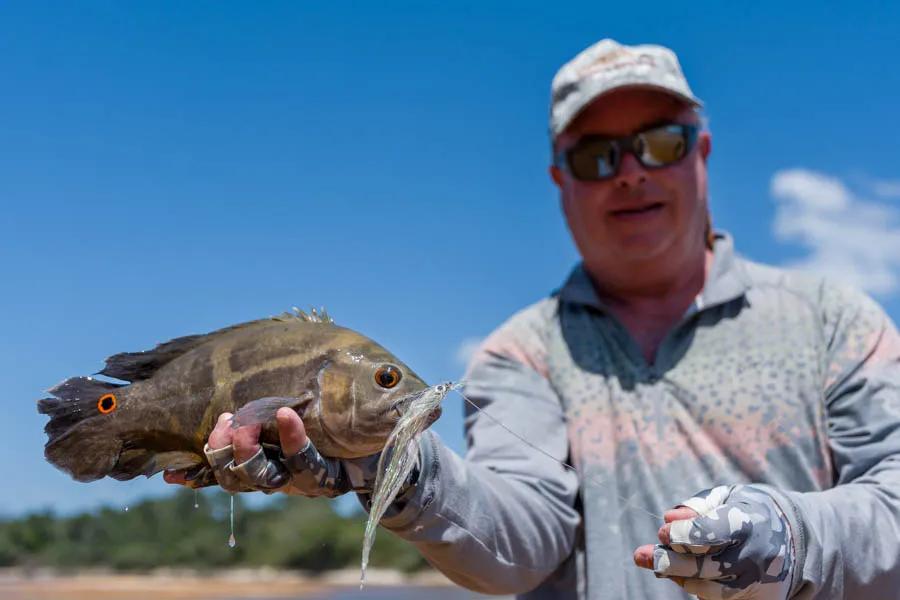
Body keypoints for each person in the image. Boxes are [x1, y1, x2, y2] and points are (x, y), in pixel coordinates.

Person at [165, 39, 900, 599]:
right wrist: (390, 461)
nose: (632, 172)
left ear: (702, 153)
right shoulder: (522, 353)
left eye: (660, 142)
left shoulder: (832, 322)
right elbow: (520, 533)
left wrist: (794, 538)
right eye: (596, 157)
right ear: (559, 180)